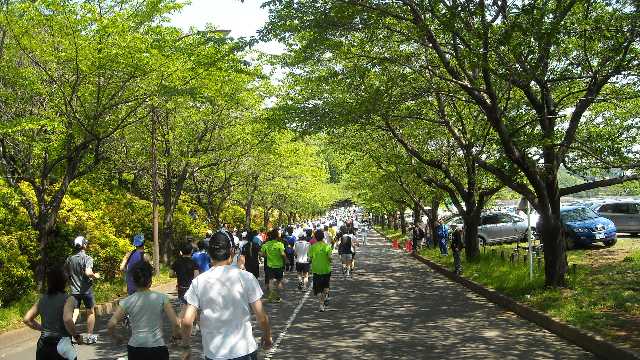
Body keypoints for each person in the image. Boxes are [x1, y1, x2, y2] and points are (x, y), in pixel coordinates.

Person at [179, 231, 273, 360]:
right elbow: (261, 316)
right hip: (244, 349)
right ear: (232, 251)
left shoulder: (199, 281)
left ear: (209, 253)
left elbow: (187, 321)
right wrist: (267, 336)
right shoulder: (246, 277)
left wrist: (186, 347)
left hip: (214, 352)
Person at [107, 261, 180, 360]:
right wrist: (175, 337)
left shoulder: (127, 301)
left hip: (135, 348)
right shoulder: (162, 298)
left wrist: (116, 337)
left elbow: (111, 324)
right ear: (151, 281)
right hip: (158, 348)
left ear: (133, 281)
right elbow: (175, 323)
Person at [24, 266, 83, 360]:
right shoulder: (68, 299)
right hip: (62, 345)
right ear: (64, 282)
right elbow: (67, 319)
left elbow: (27, 319)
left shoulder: (42, 299)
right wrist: (76, 336)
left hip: (43, 346)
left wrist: (42, 328)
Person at [64, 236, 100, 344]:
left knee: (75, 312)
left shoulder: (69, 259)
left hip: (74, 291)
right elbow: (88, 272)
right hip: (86, 291)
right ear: (84, 245)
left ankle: (69, 335)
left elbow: (65, 273)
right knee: (90, 311)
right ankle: (89, 337)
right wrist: (95, 275)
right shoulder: (87, 258)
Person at [171, 243, 199, 325]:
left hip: (181, 288)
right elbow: (196, 276)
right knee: (193, 307)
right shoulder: (194, 263)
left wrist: (178, 274)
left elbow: (170, 274)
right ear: (191, 251)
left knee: (183, 307)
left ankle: (181, 325)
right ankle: (193, 326)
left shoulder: (176, 262)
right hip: (191, 288)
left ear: (181, 252)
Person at [308, 229, 332, 312]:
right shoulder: (327, 246)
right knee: (326, 286)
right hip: (326, 269)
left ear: (315, 237)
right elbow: (330, 258)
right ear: (323, 237)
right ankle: (325, 297)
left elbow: (310, 258)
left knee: (318, 289)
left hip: (316, 270)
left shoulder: (312, 247)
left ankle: (321, 305)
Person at [260, 229, 286, 302]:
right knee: (279, 282)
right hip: (279, 266)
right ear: (277, 236)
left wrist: (266, 256)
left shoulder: (266, 244)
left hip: (270, 266)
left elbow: (261, 254)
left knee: (271, 281)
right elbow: (282, 254)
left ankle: (271, 296)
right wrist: (286, 260)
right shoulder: (280, 244)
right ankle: (277, 297)